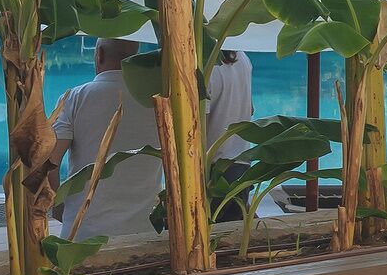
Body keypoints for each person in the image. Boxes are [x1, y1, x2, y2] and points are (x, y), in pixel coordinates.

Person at [54, 39, 258, 241]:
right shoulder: (161, 104)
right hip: (146, 233)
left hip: (81, 235)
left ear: (98, 54)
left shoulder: (74, 98)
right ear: (137, 58)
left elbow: (49, 162)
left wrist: (59, 207)